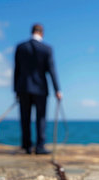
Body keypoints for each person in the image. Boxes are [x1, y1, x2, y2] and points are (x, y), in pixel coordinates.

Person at [14, 23, 62, 154]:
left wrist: (15, 89)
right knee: (41, 118)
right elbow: (52, 70)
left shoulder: (21, 47)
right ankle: (40, 146)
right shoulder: (46, 49)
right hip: (41, 88)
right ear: (42, 33)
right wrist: (57, 90)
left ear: (32, 32)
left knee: (25, 118)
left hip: (23, 87)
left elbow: (16, 70)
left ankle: (26, 146)